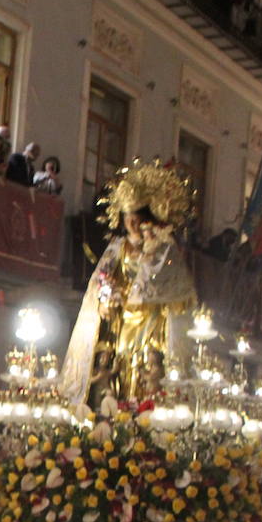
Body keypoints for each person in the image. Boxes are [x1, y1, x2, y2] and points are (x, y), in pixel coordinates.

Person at [58, 160, 196, 406]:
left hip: (151, 317)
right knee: (120, 359)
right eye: (127, 217)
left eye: (136, 217)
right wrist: (105, 296)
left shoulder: (164, 247)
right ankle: (118, 405)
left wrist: (151, 254)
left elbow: (171, 284)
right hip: (122, 317)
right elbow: (99, 283)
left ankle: (143, 407)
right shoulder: (117, 248)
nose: (131, 222)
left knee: (147, 362)